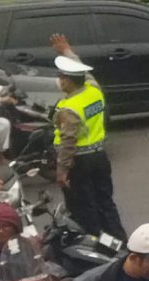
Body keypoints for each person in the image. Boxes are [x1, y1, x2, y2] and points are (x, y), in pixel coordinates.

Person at [47, 55, 123, 239]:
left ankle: (93, 243)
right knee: (105, 202)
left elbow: (68, 141)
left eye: (61, 77)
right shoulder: (94, 91)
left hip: (79, 163)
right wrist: (67, 51)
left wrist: (62, 171)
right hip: (99, 157)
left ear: (68, 81)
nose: (59, 81)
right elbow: (88, 75)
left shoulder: (69, 108)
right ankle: (119, 241)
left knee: (84, 208)